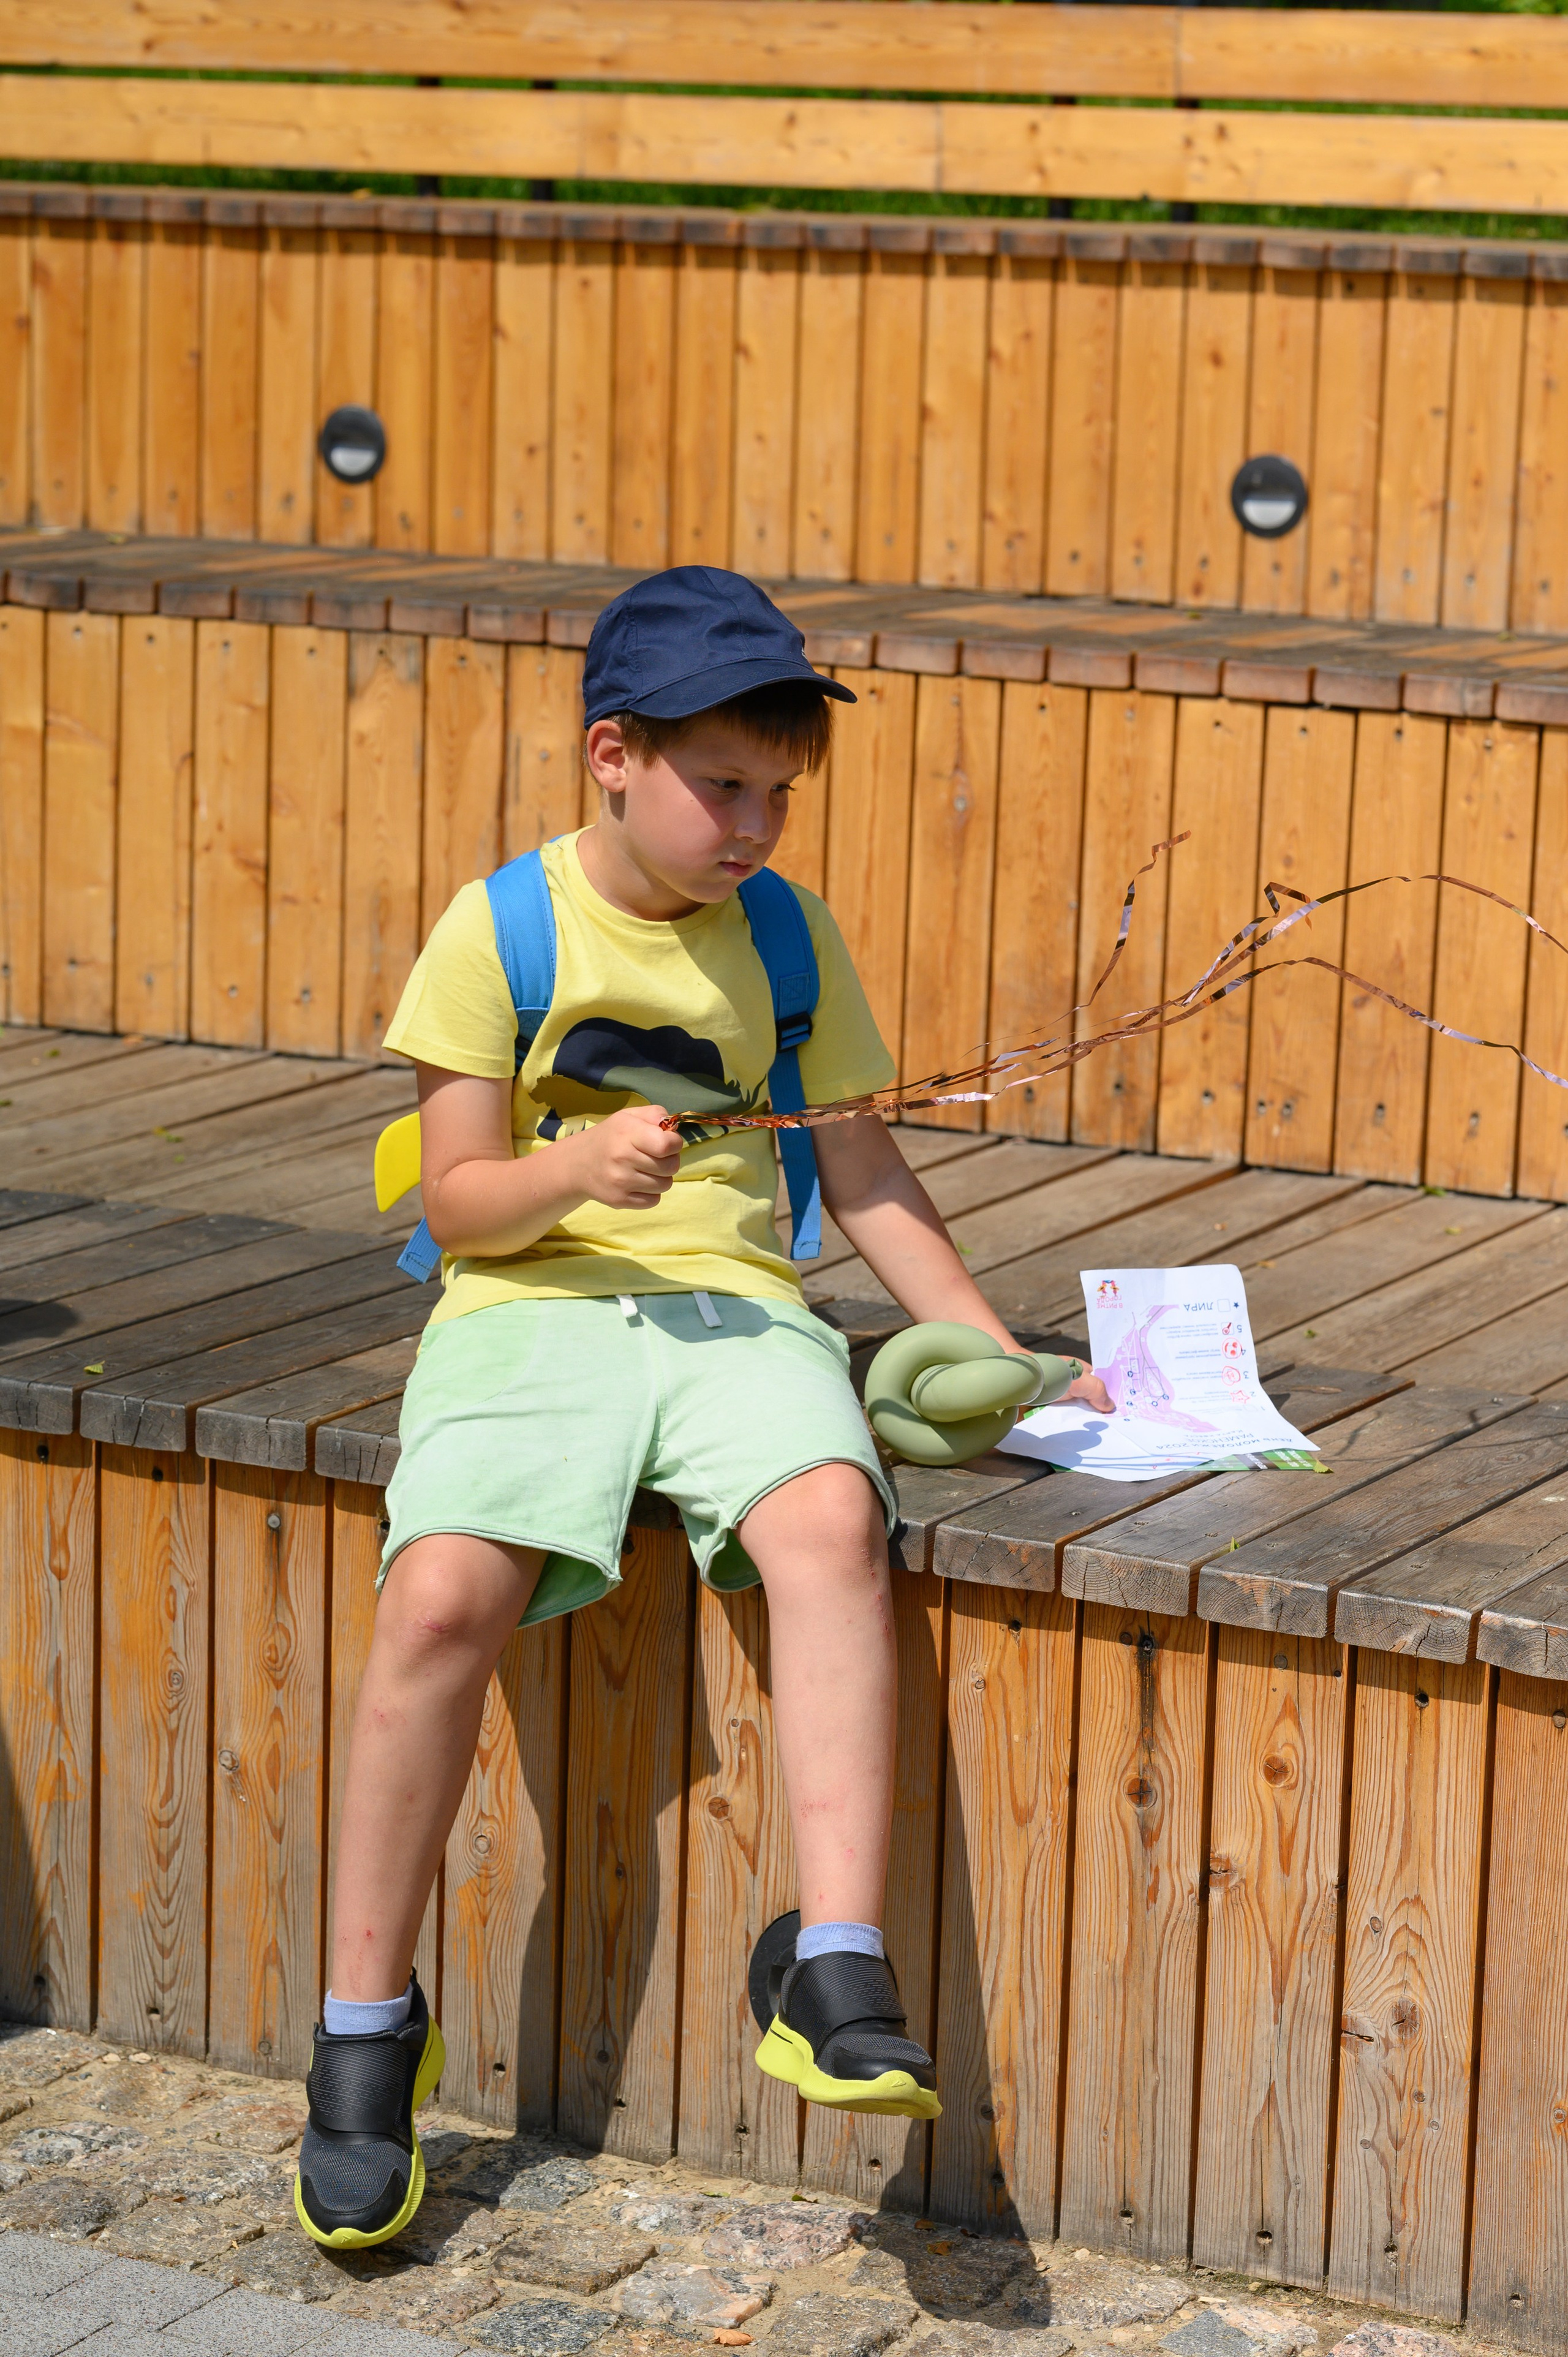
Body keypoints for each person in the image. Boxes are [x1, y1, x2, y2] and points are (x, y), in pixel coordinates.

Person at [293, 566, 1112, 2251]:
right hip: (533, 1306)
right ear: (613, 752)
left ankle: (833, 1957)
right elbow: (451, 1204)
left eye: (778, 794)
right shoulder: (499, 927)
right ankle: (366, 2028)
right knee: (445, 1590)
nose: (755, 826)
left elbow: (863, 1164)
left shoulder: (790, 939)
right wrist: (574, 1166)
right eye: (722, 787)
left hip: (738, 1314)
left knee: (830, 1520)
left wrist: (1007, 1352)